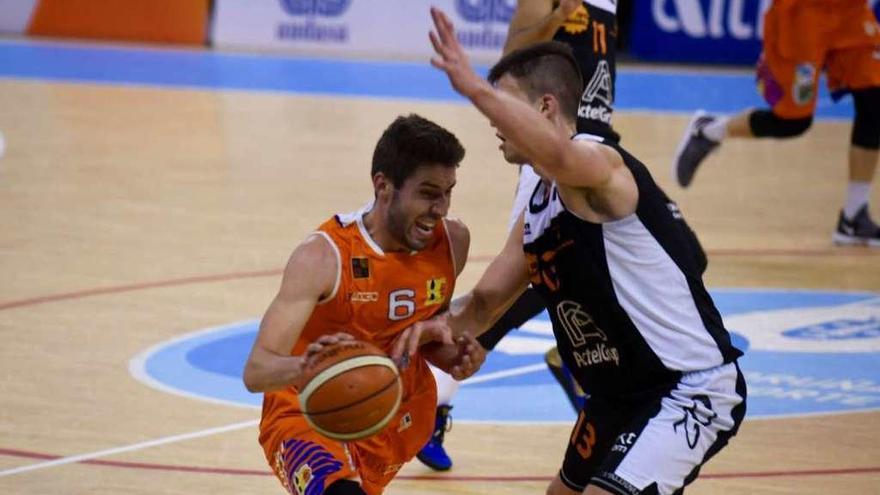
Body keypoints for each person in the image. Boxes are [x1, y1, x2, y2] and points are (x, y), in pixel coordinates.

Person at [429, 7, 746, 495]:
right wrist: (403, 337)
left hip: (686, 387)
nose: (493, 120)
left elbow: (560, 155)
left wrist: (475, 88)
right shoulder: (537, 203)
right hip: (614, 395)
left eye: (503, 104)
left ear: (546, 108)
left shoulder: (600, 165)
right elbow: (484, 305)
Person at [418, 0, 626, 471]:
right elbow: (511, 60)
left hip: (592, 146)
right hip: (553, 149)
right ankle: (438, 392)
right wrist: (556, 18)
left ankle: (574, 358)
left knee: (600, 267)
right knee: (534, 273)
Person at [242, 114, 484, 495]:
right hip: (308, 411)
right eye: (427, 192)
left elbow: (422, 333)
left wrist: (452, 355)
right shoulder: (323, 256)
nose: (440, 208)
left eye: (448, 192)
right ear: (383, 185)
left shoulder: (452, 241)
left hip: (392, 413)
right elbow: (257, 370)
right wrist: (312, 368)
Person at [673, 0, 880, 247]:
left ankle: (854, 216)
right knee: (792, 121)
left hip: (852, 13)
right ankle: (708, 130)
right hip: (802, 15)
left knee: (875, 102)